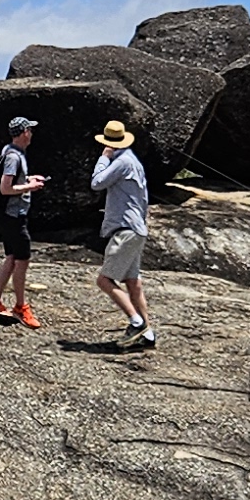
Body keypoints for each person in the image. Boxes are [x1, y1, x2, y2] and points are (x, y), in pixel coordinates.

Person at [88, 117, 156, 349]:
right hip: (137, 227)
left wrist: (103, 158)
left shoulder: (121, 161)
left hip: (125, 229)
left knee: (104, 280)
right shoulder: (134, 161)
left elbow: (97, 182)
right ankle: (148, 334)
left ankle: (136, 321)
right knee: (133, 283)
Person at [0, 117, 45, 327]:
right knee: (22, 260)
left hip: (10, 215)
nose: (31, 134)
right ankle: (20, 307)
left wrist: (29, 179)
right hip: (15, 216)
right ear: (24, 132)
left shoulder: (10, 152)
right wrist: (29, 187)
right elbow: (5, 188)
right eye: (29, 130)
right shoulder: (14, 157)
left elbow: (13, 181)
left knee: (12, 257)